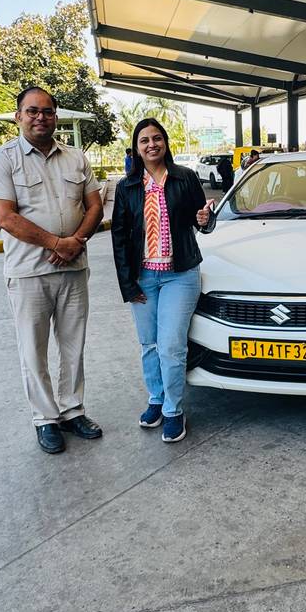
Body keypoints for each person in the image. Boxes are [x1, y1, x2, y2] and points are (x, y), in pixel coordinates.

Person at [0, 86, 104, 454]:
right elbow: (5, 217)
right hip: (29, 273)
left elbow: (95, 205)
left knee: (73, 347)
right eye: (32, 111)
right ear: (19, 115)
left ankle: (72, 412)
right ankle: (45, 419)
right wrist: (57, 244)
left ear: (56, 115)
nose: (41, 117)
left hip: (73, 270)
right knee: (33, 351)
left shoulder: (76, 157)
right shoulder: (2, 159)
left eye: (48, 111)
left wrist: (76, 241)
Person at [111, 119, 215, 442]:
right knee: (149, 344)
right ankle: (156, 398)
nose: (151, 144)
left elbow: (204, 224)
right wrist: (128, 284)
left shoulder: (184, 177)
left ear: (166, 142)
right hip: (143, 277)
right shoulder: (126, 187)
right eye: (144, 140)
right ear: (136, 147)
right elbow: (119, 237)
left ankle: (173, 408)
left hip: (179, 275)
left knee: (171, 345)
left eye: (157, 138)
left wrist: (205, 218)